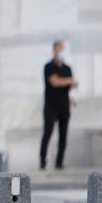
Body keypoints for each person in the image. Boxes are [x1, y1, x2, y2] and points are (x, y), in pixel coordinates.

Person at [40, 40, 77, 170]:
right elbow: (54, 82)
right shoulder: (48, 66)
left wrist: (72, 96)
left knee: (63, 135)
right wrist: (68, 81)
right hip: (51, 105)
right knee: (48, 132)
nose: (60, 52)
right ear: (54, 50)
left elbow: (73, 85)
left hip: (64, 105)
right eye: (59, 49)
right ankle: (43, 160)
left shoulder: (67, 68)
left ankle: (59, 162)